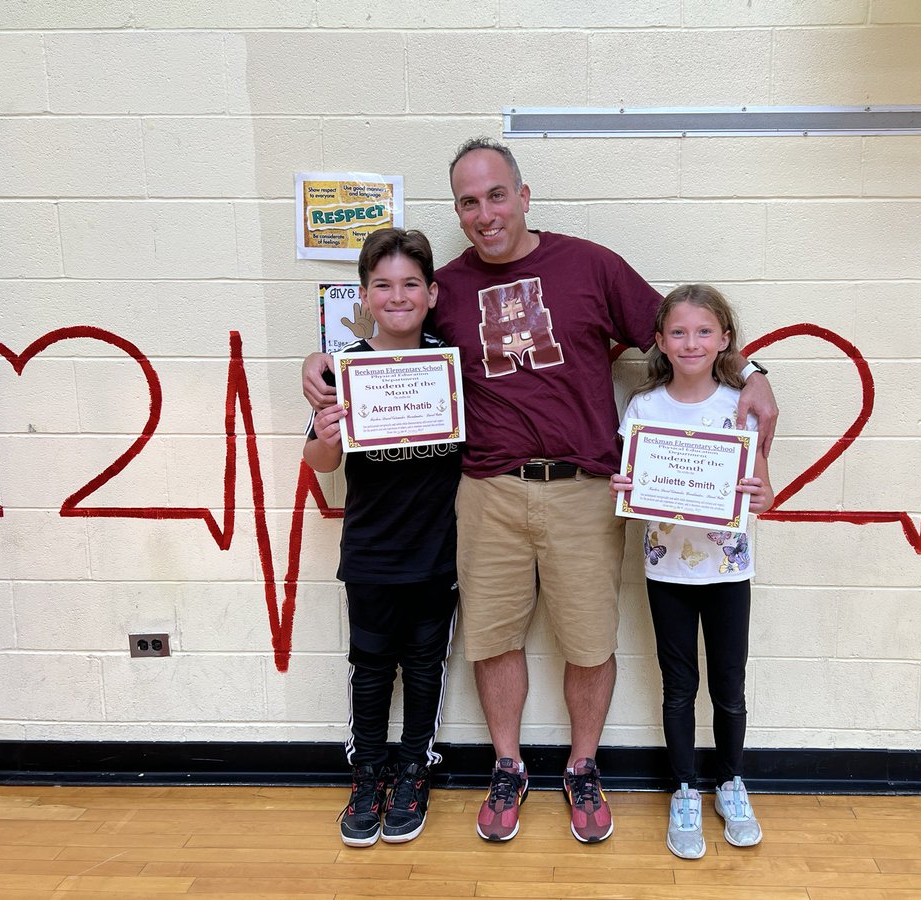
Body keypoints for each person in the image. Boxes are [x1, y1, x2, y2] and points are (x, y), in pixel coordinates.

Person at [302, 137, 779, 844]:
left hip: (583, 487)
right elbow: (390, 337)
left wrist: (756, 368)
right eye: (469, 201)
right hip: (486, 490)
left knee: (588, 641)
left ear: (523, 196)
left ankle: (582, 766)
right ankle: (507, 766)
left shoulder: (591, 266)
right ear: (458, 212)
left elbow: (684, 332)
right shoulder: (448, 289)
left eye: (497, 195)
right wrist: (322, 359)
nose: (485, 213)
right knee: (494, 638)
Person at [303, 228, 461, 847]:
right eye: (383, 286)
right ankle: (367, 774)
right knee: (369, 670)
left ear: (431, 293)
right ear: (364, 297)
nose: (397, 296)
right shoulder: (343, 371)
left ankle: (413, 770)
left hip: (437, 552)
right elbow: (319, 463)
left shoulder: (452, 363)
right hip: (370, 554)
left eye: (410, 284)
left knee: (425, 668)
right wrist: (325, 429)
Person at [610, 284, 773, 860]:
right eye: (678, 332)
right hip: (667, 572)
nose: (691, 342)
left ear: (725, 339)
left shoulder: (740, 404)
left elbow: (766, 497)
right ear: (658, 341)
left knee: (729, 688)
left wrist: (756, 490)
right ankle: (684, 789)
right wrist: (626, 488)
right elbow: (627, 490)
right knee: (678, 688)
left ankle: (731, 781)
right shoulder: (643, 409)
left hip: (729, 571)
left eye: (704, 331)